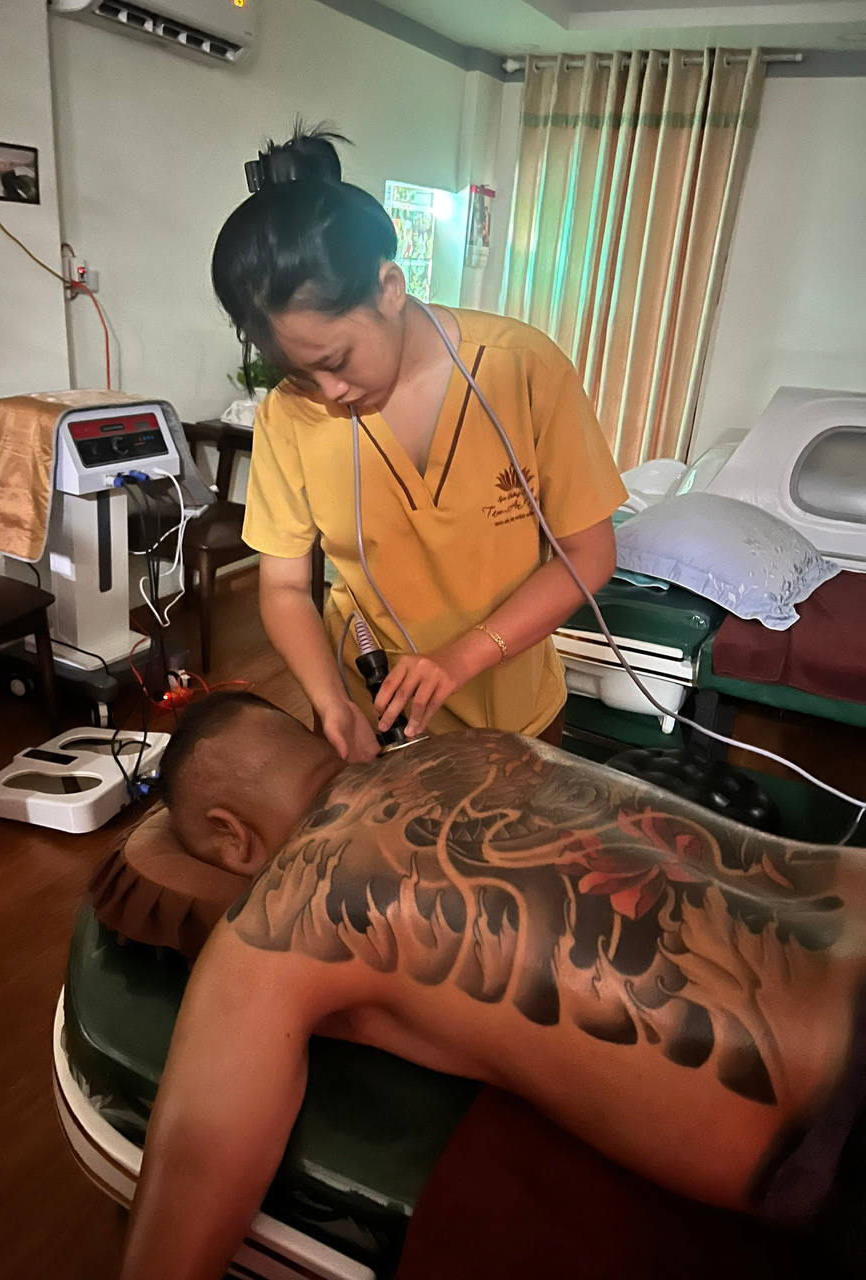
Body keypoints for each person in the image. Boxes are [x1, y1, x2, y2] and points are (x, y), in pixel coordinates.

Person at [120, 691, 866, 1280]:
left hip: (841, 1098)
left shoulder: (286, 908)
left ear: (231, 836)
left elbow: (189, 1185)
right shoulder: (479, 746)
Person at [211, 127, 627, 764]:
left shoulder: (520, 369)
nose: (330, 392)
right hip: (375, 718)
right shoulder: (289, 417)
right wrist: (331, 704)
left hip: (515, 719)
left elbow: (588, 554)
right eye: (298, 372)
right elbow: (286, 587)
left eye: (336, 360)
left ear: (390, 287)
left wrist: (463, 657)